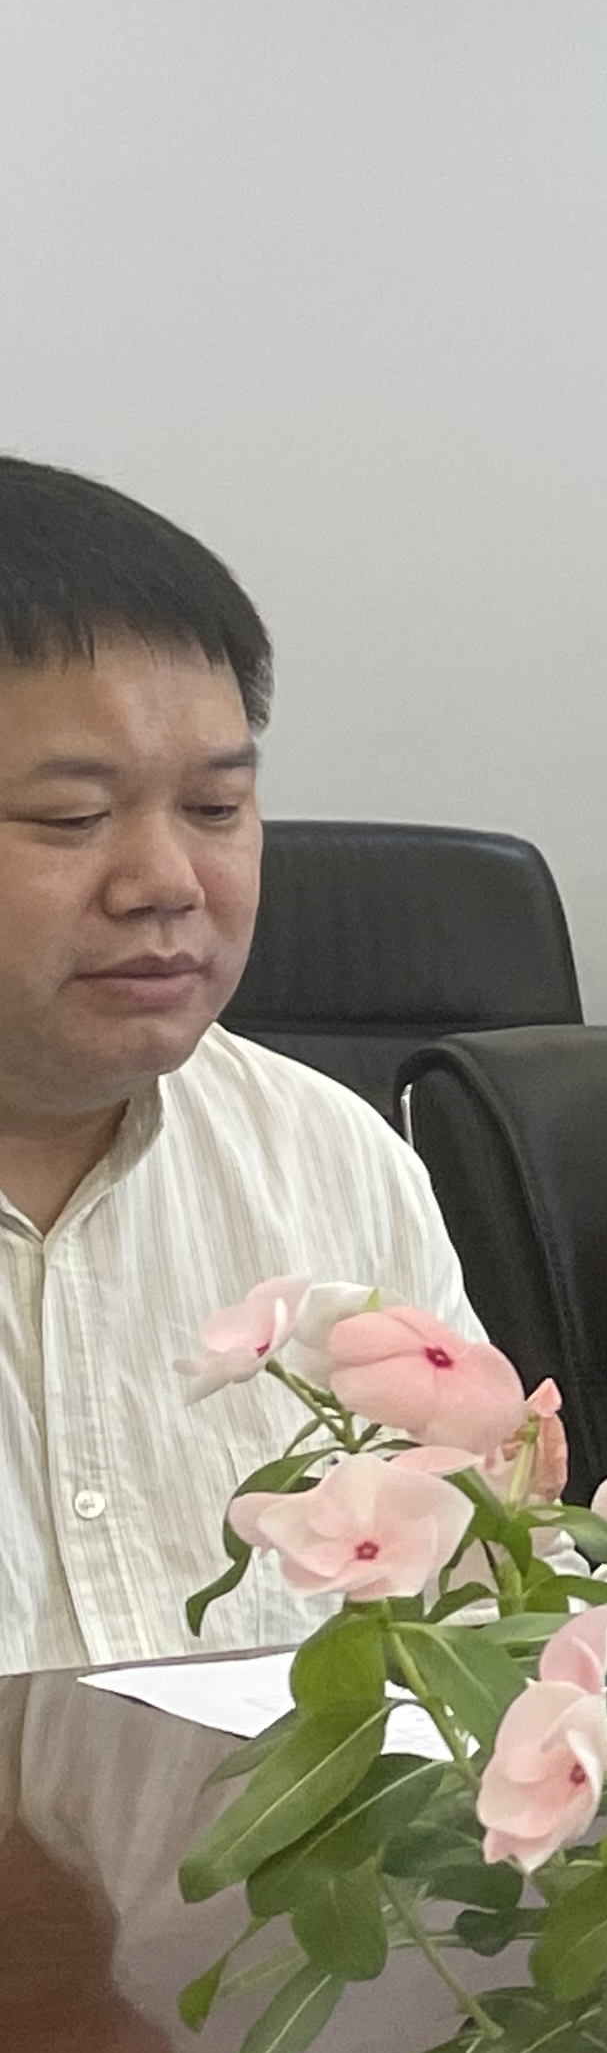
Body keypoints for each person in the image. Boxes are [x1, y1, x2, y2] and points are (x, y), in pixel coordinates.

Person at [0, 460, 474, 1673]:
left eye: (215, 809)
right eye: (70, 819)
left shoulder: (333, 1158)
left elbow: (472, 1619)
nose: (166, 884)